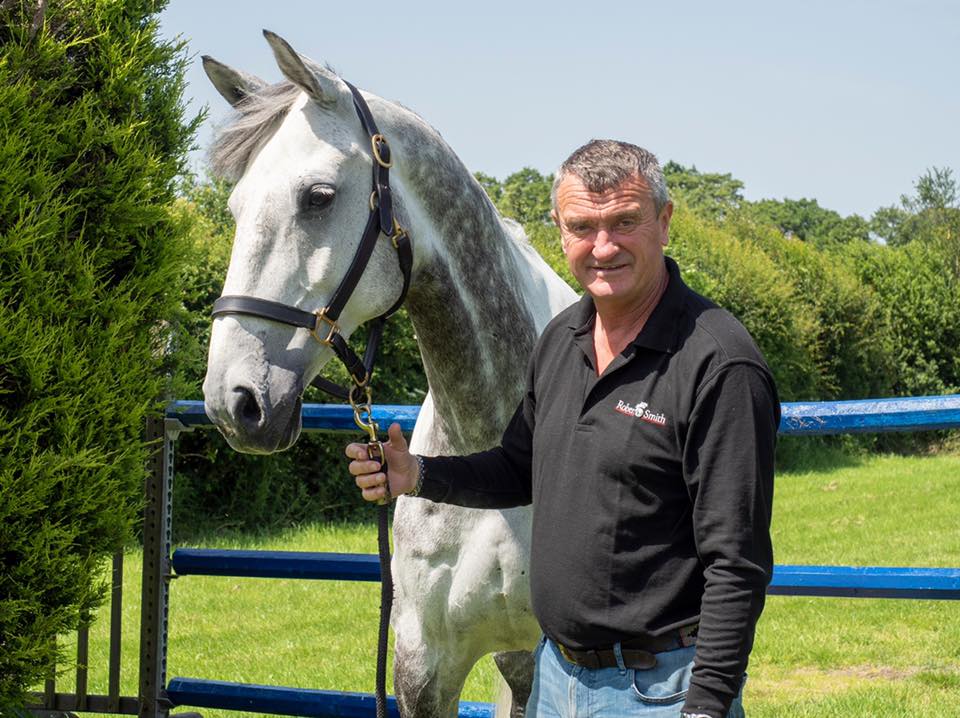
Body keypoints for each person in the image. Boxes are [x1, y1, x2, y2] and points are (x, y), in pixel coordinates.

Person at [346, 140, 779, 718]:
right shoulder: (560, 340)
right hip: (556, 682)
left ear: (665, 222)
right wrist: (417, 473)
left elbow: (737, 563)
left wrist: (706, 707)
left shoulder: (719, 363)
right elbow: (519, 467)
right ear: (560, 229)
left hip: (662, 691)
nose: (604, 246)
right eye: (583, 226)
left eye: (625, 222)